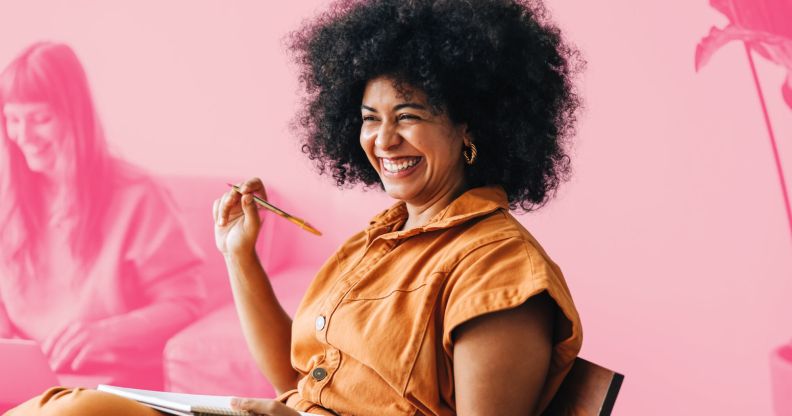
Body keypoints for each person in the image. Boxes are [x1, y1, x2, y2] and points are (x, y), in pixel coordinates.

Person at [6, 0, 584, 414]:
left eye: (408, 115)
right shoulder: (377, 240)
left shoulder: (499, 269)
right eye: (368, 118)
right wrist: (240, 256)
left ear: (470, 128)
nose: (382, 141)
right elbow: (292, 375)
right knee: (66, 406)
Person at [0, 42, 206, 389]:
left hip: (105, 383)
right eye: (13, 120)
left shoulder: (138, 195)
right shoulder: (8, 197)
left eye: (40, 119)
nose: (24, 136)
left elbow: (185, 303)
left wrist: (107, 334)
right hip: (24, 381)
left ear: (75, 117)